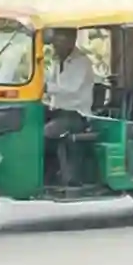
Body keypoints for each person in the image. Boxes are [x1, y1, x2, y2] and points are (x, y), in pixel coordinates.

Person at [43, 29, 94, 183]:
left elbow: (70, 89)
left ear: (71, 40)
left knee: (44, 133)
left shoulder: (82, 62)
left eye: (59, 41)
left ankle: (54, 175)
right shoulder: (58, 61)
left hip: (76, 115)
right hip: (58, 111)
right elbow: (49, 82)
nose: (55, 46)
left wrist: (45, 88)